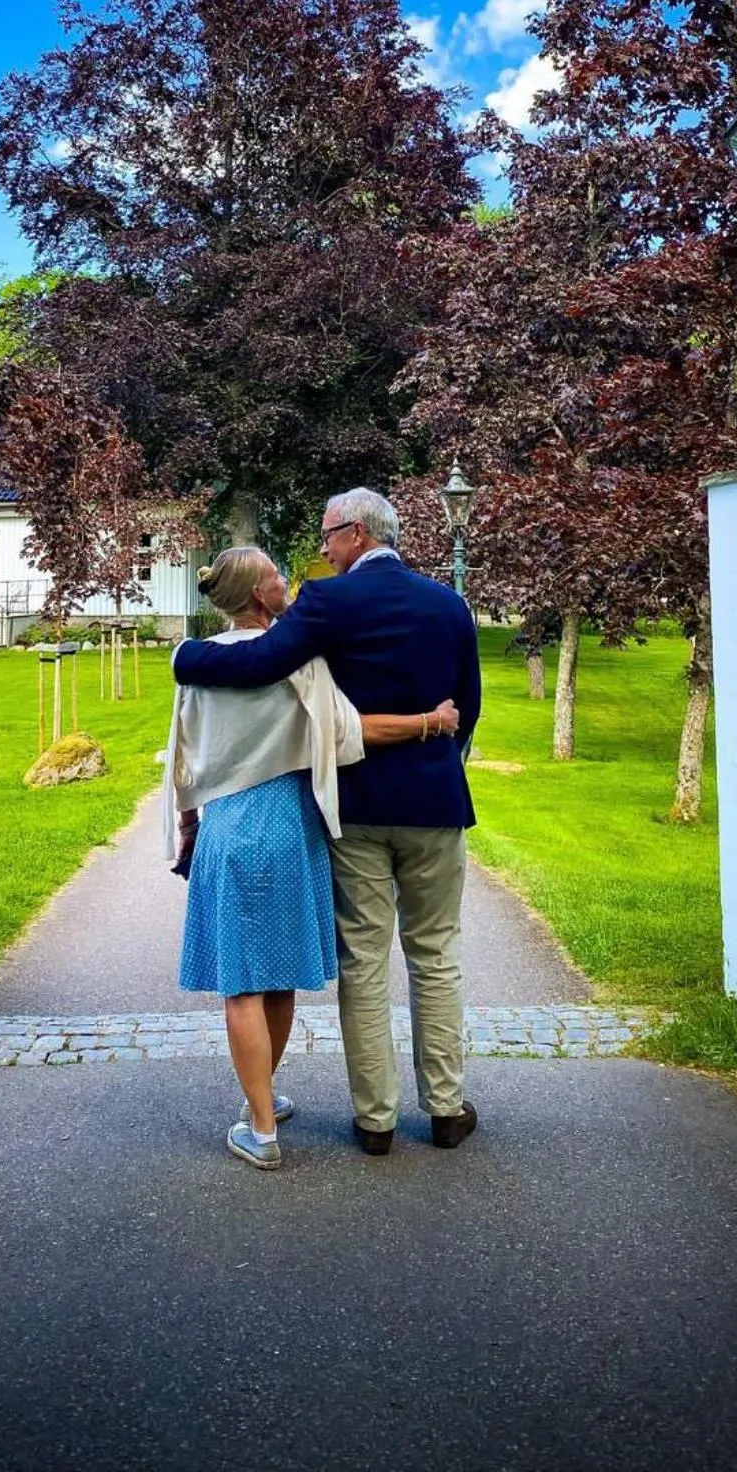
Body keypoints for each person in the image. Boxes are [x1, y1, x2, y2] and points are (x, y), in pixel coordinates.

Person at [172, 492, 482, 1158]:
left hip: (358, 809)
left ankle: (375, 1120)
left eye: (328, 536)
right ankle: (448, 1108)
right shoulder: (449, 604)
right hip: (435, 804)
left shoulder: (326, 603)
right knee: (437, 955)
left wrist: (184, 659)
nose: (323, 548)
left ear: (358, 534)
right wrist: (438, 752)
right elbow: (470, 708)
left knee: (364, 963)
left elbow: (256, 663)